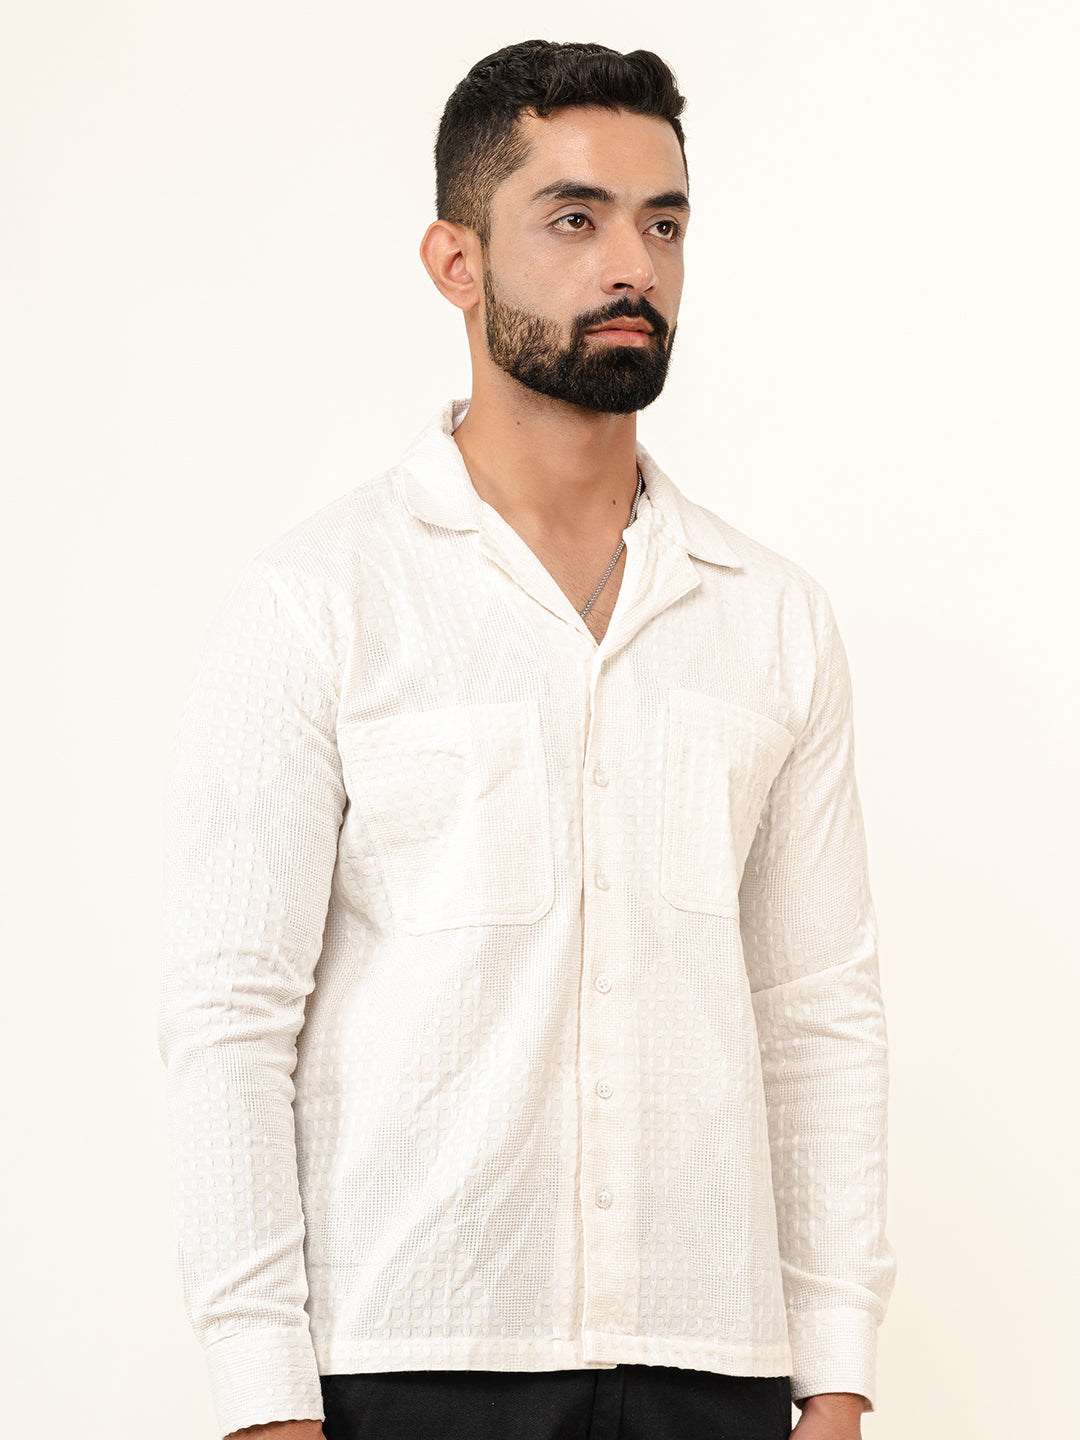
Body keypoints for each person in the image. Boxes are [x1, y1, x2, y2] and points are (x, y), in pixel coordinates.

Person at [159, 39, 897, 1440]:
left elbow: (819, 1015)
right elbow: (230, 1019)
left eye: (663, 224)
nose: (632, 265)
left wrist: (837, 1372)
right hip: (409, 1355)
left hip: (713, 1360)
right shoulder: (323, 598)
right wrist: (263, 1394)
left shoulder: (773, 619)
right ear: (456, 261)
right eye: (574, 217)